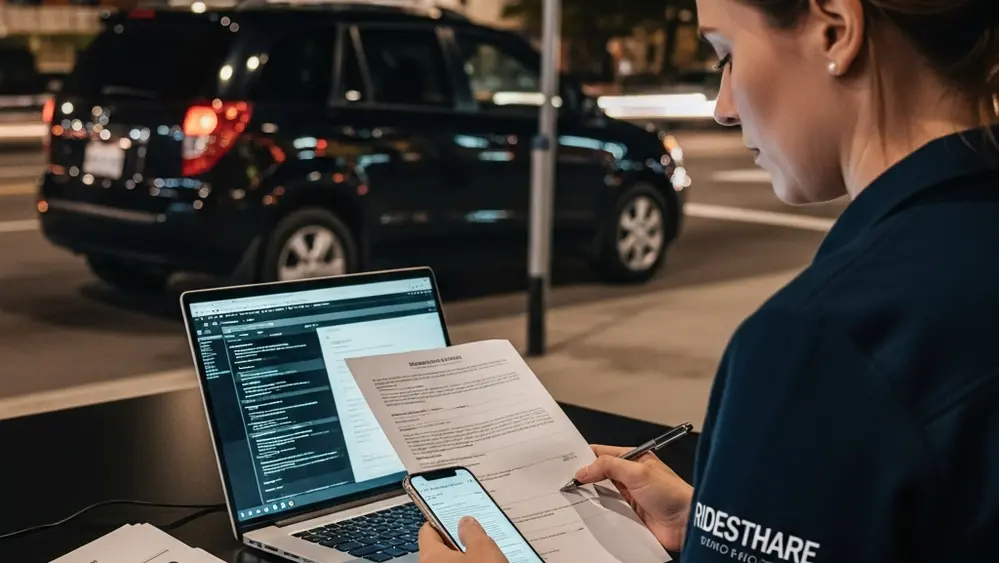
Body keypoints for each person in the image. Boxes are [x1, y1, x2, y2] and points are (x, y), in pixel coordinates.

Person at [417, 0, 999, 560]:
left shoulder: (825, 337)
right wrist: (721, 520)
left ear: (835, 30)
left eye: (726, 54)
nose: (724, 106)